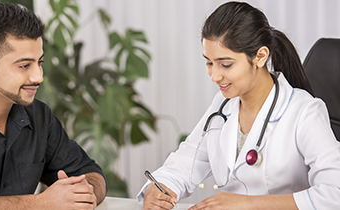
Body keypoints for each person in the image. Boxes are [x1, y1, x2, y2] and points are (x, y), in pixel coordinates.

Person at [137, 2, 340, 210]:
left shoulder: (304, 111)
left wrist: (247, 204)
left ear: (260, 56)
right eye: (209, 62)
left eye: (226, 64)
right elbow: (185, 163)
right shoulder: (222, 107)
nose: (215, 76)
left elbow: (335, 193)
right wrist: (158, 187)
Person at [0, 2, 106, 209]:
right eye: (24, 65)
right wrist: (39, 203)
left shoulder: (39, 116)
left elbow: (91, 172)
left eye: (40, 62)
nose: (39, 76)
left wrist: (85, 193)